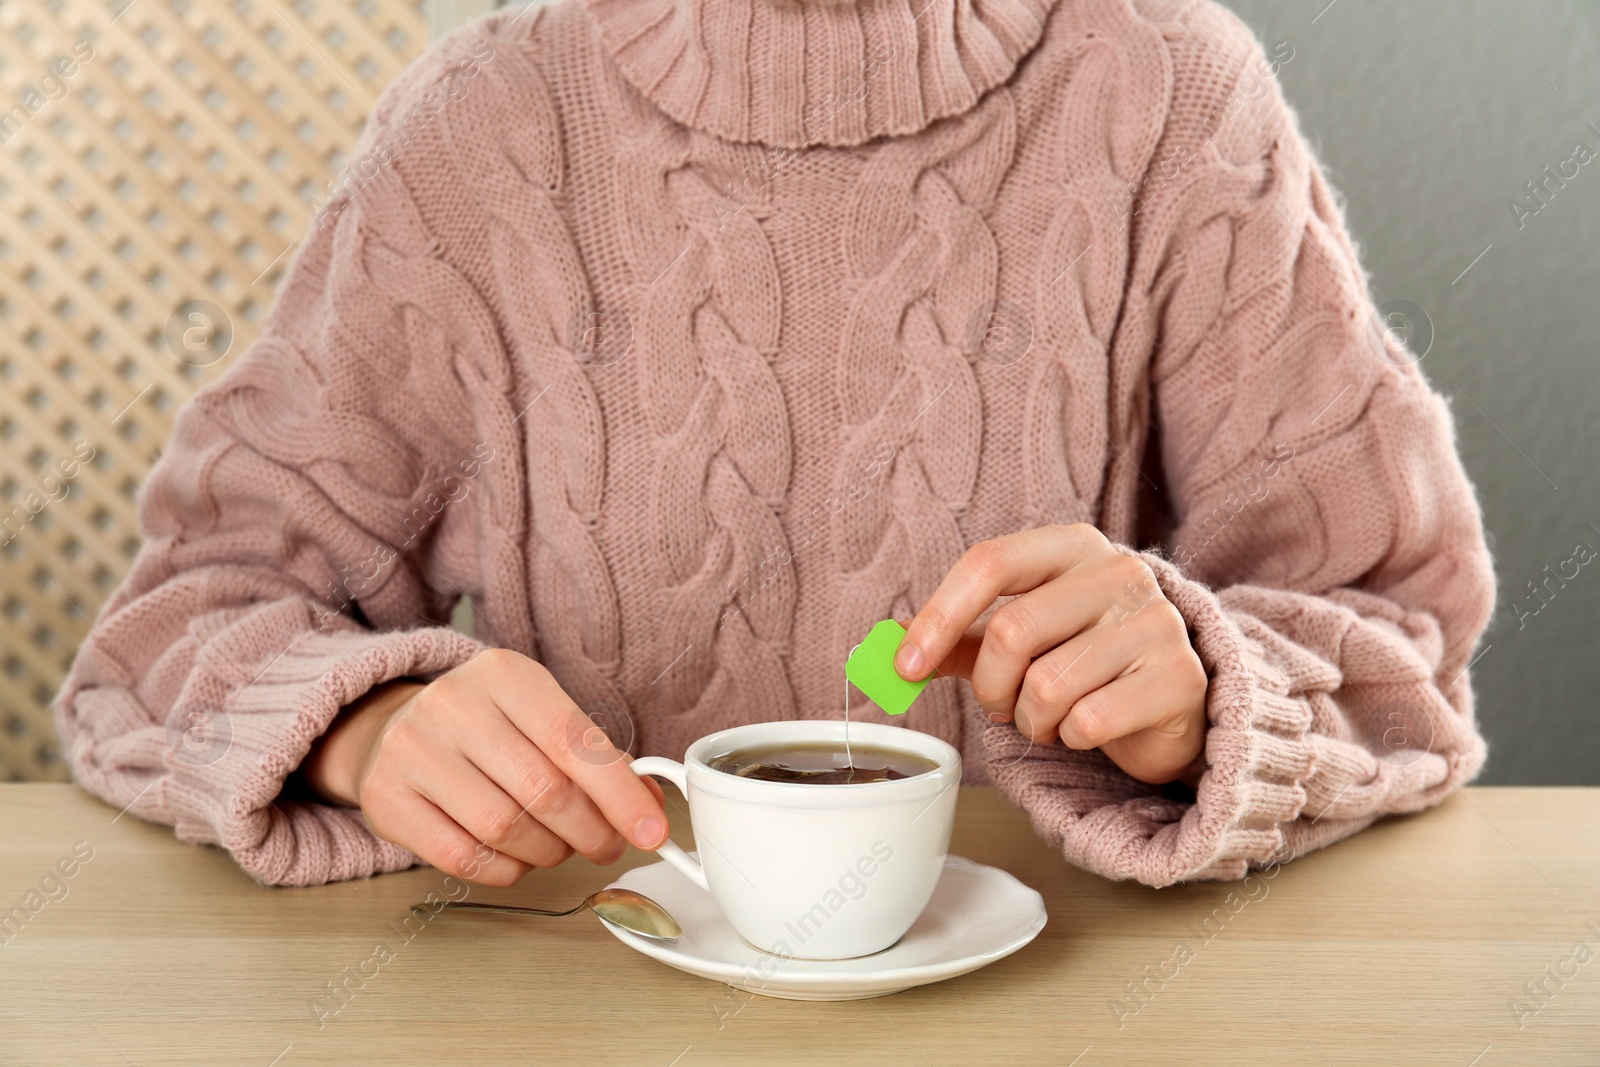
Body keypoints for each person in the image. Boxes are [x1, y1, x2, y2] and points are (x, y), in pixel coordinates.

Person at [54, 0, 1495, 890]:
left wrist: (1203, 690)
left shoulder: (1175, 99)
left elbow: (1402, 646)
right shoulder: (480, 133)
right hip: (582, 1012)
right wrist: (355, 729)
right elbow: (174, 633)